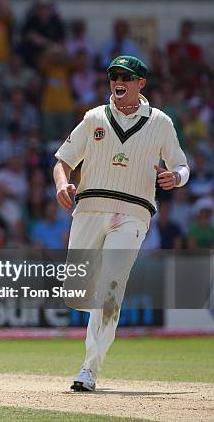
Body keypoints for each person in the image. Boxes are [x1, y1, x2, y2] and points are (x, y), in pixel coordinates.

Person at [53, 55, 189, 392]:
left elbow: (182, 165)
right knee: (78, 293)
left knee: (112, 289)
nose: (119, 80)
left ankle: (89, 369)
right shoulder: (94, 117)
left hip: (133, 213)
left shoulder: (160, 122)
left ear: (141, 84)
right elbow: (63, 161)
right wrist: (61, 184)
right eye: (114, 75)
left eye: (126, 77)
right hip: (88, 209)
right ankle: (93, 338)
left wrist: (177, 178)